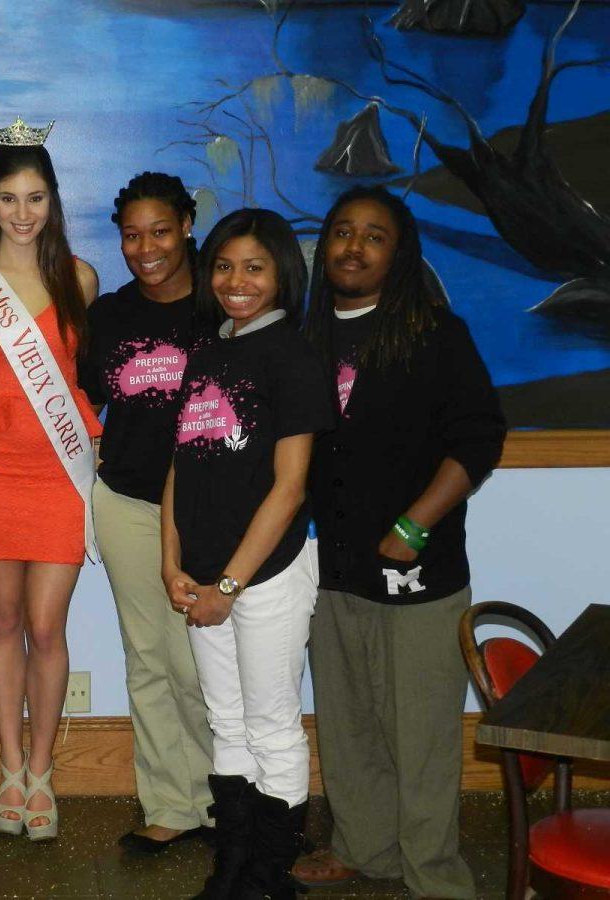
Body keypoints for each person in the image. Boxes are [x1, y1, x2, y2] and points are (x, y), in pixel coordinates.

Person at [292, 187, 505, 900]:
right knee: (349, 726)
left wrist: (415, 525)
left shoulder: (435, 333)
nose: (354, 246)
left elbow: (479, 437)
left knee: (422, 734)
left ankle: (435, 875)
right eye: (343, 233)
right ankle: (367, 847)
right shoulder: (304, 336)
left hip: (420, 569)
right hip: (328, 571)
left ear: (398, 252)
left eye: (374, 236)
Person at [161, 208, 334, 899]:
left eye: (254, 268)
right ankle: (231, 870)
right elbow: (182, 466)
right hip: (200, 577)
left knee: (271, 729)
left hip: (265, 578)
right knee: (226, 724)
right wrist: (171, 563)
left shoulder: (293, 357)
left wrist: (226, 588)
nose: (237, 281)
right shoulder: (208, 351)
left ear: (283, 275)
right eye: (225, 266)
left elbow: (289, 491)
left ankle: (269, 877)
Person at [0, 118, 101, 841]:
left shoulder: (81, 280)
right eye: (9, 198)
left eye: (36, 197)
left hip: (59, 473)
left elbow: (90, 375)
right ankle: (8, 767)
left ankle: (43, 769)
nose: (23, 213)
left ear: (53, 201)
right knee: (2, 621)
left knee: (46, 625)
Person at [77, 172, 215, 853]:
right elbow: (83, 407)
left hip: (210, 507)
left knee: (203, 663)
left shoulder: (224, 307)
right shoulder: (109, 316)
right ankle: (172, 803)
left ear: (188, 224)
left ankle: (230, 799)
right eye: (131, 235)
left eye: (160, 231)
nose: (146, 248)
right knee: (150, 658)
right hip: (128, 502)